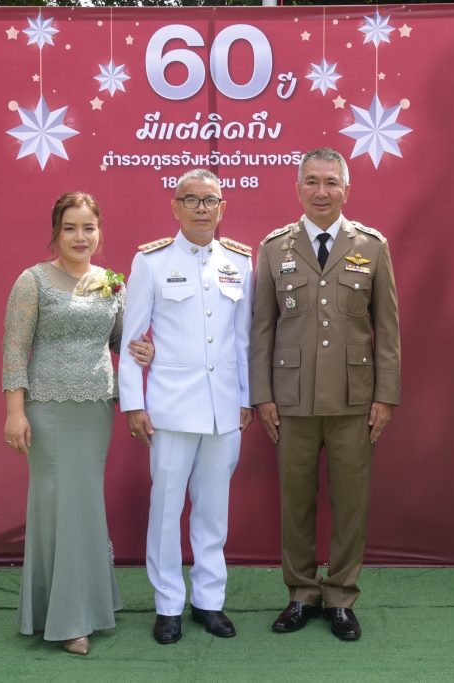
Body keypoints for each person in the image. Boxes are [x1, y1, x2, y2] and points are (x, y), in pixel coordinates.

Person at [249, 148, 401, 641]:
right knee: (295, 502)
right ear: (298, 189)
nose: (321, 191)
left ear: (346, 190)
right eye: (312, 181)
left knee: (351, 502)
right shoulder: (274, 248)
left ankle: (340, 597)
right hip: (290, 401)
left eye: (331, 182)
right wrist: (262, 395)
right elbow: (262, 329)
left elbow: (387, 330)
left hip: (355, 401)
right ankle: (300, 593)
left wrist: (385, 397)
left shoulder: (371, 247)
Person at [2, 192, 153, 656]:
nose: (80, 237)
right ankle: (67, 619)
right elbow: (14, 350)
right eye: (70, 227)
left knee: (85, 506)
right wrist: (14, 412)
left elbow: (121, 340)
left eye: (89, 227)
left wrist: (145, 349)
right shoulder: (32, 281)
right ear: (56, 232)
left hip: (95, 411)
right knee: (58, 508)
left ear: (99, 232)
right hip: (47, 411)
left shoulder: (111, 283)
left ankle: (89, 603)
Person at [118, 169, 253, 645]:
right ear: (174, 207)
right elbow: (134, 339)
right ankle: (168, 605)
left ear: (222, 207)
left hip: (223, 409)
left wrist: (247, 398)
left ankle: (209, 601)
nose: (200, 208)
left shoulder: (240, 261)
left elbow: (243, 339)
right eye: (190, 199)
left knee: (214, 510)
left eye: (209, 200)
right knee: (166, 509)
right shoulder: (151, 262)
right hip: (171, 409)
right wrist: (134, 403)